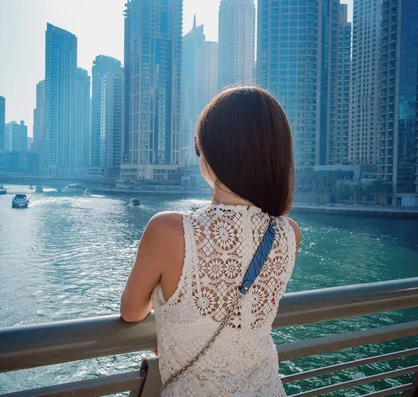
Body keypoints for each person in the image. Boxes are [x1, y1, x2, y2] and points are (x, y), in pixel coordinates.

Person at [120, 86, 301, 396]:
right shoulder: (289, 233)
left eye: (198, 147)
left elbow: (131, 311)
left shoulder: (168, 230)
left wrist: (173, 328)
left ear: (214, 154)